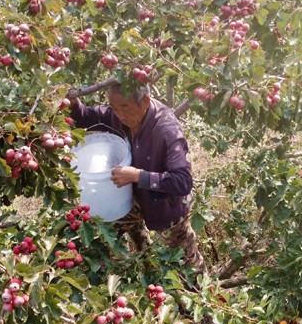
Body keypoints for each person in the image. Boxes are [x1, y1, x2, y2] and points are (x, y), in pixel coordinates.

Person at [68, 83, 206, 274]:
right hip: (131, 196)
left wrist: (137, 176)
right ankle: (147, 268)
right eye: (114, 107)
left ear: (145, 102)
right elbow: (86, 117)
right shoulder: (117, 114)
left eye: (124, 107)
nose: (119, 114)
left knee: (186, 261)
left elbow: (182, 182)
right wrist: (73, 104)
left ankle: (200, 288)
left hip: (166, 206)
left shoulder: (167, 130)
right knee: (107, 227)